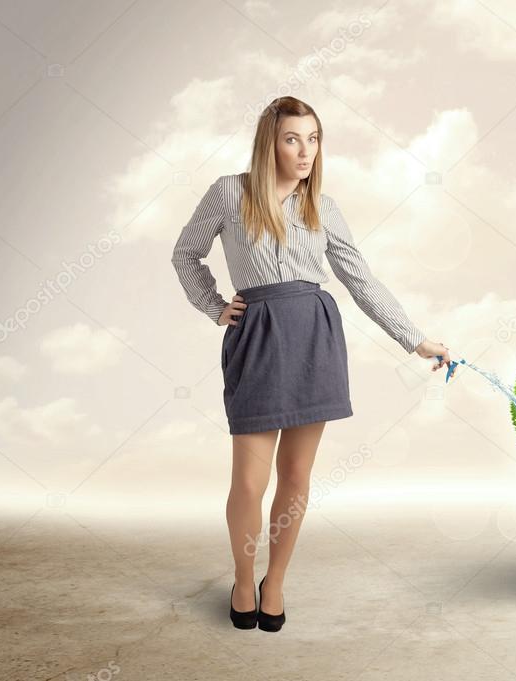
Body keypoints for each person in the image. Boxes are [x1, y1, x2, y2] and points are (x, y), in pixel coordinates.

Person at [170, 96, 452, 632]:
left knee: (296, 477)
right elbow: (185, 253)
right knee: (249, 483)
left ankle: (274, 582)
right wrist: (213, 305)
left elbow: (358, 277)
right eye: (292, 139)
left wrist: (414, 339)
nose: (305, 151)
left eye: (314, 138)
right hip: (257, 337)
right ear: (269, 142)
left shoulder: (322, 204)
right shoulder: (230, 192)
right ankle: (242, 575)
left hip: (315, 337)